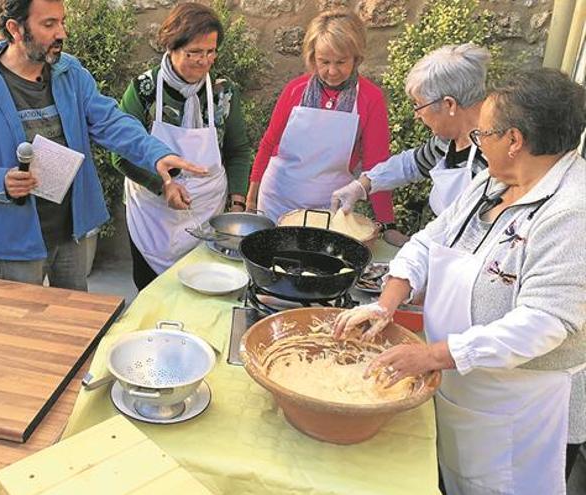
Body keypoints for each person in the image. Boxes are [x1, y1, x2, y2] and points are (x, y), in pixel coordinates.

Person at [333, 68, 586, 495]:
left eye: (483, 133)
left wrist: (435, 354)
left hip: (526, 411)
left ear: (515, 140)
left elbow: (543, 323)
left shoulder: (571, 213)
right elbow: (430, 240)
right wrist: (385, 303)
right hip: (464, 387)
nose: (476, 142)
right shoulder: (494, 180)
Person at [0, 0, 206, 291]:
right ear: (15, 29)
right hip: (16, 238)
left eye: (62, 21)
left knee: (77, 324)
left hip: (73, 231)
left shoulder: (72, 74)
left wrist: (156, 155)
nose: (61, 33)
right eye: (49, 24)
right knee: (21, 326)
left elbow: (110, 121)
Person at [110, 2, 252, 289]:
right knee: (151, 289)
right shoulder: (144, 90)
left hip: (206, 211)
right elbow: (120, 154)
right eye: (194, 53)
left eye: (211, 51)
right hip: (152, 213)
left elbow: (238, 150)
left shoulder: (223, 94)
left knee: (201, 287)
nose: (204, 61)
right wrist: (162, 185)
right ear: (171, 48)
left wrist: (237, 204)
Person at [330, 43, 491, 245]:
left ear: (449, 104)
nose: (416, 115)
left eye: (419, 105)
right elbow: (411, 165)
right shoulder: (446, 141)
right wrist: (362, 185)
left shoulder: (493, 157)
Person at [246, 9, 393, 229]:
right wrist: (251, 201)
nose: (332, 71)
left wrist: (386, 222)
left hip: (330, 209)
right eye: (323, 62)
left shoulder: (370, 98)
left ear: (356, 58)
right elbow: (268, 144)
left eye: (341, 62)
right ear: (312, 57)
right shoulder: (295, 90)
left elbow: (376, 165)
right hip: (277, 201)